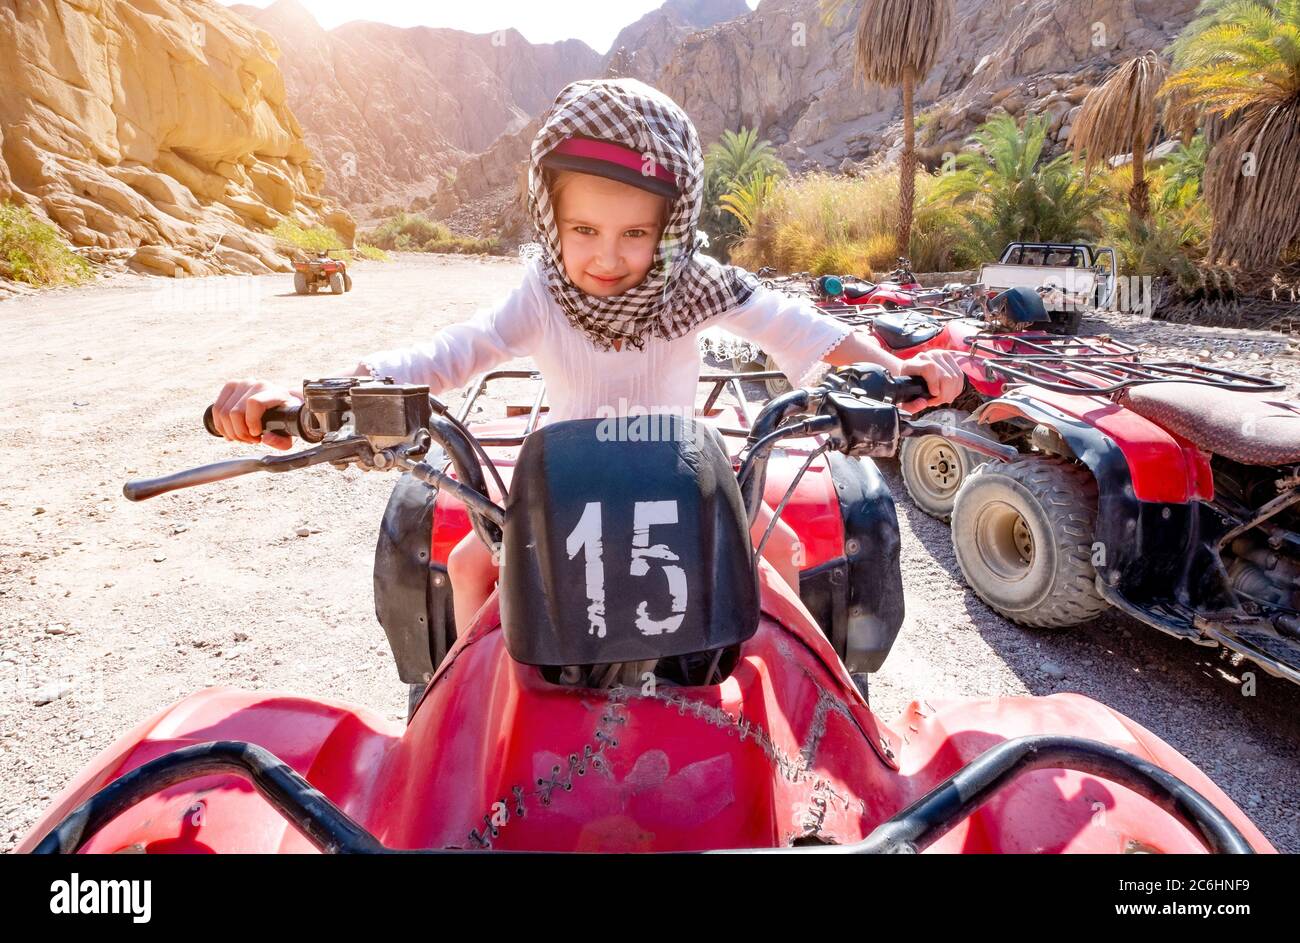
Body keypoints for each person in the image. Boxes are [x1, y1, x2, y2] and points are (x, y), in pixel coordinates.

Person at [211, 78, 963, 633]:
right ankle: (482, 734)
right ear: (552, 218)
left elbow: (798, 328)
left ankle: (802, 734)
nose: (608, 257)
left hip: (688, 480)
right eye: (584, 230)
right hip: (564, 486)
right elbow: (450, 353)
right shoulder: (540, 290)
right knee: (475, 567)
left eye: (636, 234)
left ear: (670, 230)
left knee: (785, 552)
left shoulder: (696, 282)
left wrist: (890, 372)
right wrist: (326, 393)